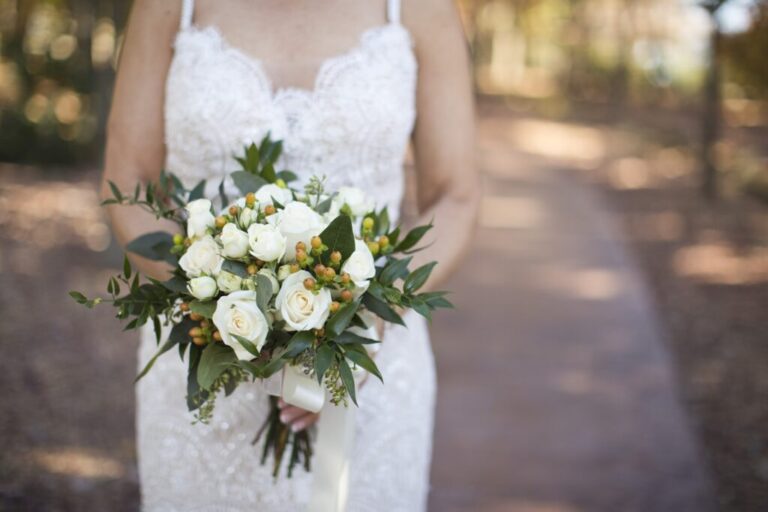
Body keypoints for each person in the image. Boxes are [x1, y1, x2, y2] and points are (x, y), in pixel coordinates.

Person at [102, 0, 478, 509]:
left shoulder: (418, 8)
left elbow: (455, 195)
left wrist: (364, 320)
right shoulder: (169, 7)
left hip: (369, 364)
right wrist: (218, 293)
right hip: (206, 359)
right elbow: (127, 183)